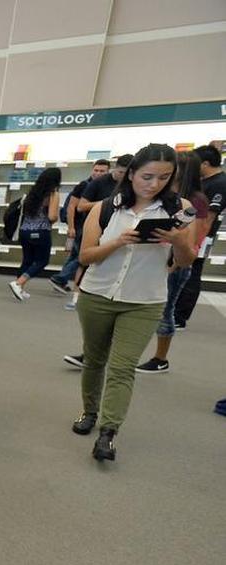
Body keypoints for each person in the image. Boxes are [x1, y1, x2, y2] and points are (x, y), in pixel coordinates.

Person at [72, 143, 196, 461]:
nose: (154, 184)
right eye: (147, 176)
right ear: (131, 174)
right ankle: (89, 412)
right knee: (94, 360)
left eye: (163, 178)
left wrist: (180, 240)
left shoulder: (181, 210)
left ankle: (108, 433)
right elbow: (86, 256)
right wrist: (117, 242)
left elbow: (184, 262)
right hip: (97, 295)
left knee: (123, 367)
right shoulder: (105, 208)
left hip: (144, 301)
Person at [136, 152, 211, 374]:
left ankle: (160, 357)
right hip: (153, 256)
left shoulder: (193, 199)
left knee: (165, 309)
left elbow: (197, 234)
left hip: (174, 261)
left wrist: (178, 260)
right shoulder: (165, 195)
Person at [62, 154, 132, 366]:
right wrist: (106, 204)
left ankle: (104, 357)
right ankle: (92, 354)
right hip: (97, 236)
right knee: (83, 264)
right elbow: (80, 206)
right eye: (121, 173)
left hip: (132, 268)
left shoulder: (139, 191)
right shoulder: (99, 185)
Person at [172, 144, 225, 329]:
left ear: (205, 163)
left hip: (200, 237)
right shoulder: (205, 183)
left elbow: (207, 219)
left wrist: (194, 245)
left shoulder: (219, 183)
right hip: (189, 236)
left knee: (190, 275)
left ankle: (179, 316)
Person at [50, 159, 110, 300]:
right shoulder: (84, 185)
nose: (98, 173)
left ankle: (63, 280)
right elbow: (73, 206)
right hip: (81, 226)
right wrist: (71, 227)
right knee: (82, 256)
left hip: (93, 226)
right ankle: (60, 278)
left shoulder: (104, 186)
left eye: (102, 171)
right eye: (96, 170)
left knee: (74, 255)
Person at [8, 167, 61, 300]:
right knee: (42, 261)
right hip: (41, 231)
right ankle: (18, 283)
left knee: (27, 260)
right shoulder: (53, 194)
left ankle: (19, 289)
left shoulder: (33, 192)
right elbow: (52, 216)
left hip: (24, 231)